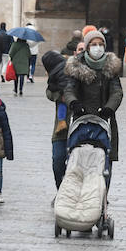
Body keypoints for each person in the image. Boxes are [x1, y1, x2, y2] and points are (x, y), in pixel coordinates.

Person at [62, 28, 123, 180]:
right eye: (94, 44)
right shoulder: (77, 66)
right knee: (78, 157)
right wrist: (74, 103)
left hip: (104, 118)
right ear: (87, 47)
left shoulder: (111, 67)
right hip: (81, 118)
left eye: (101, 44)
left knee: (104, 159)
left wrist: (110, 107)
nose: (98, 47)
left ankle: (103, 193)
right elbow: (69, 90)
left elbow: (117, 91)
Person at [42, 50, 71, 188]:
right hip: (60, 128)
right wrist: (60, 95)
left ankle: (71, 193)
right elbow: (49, 92)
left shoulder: (79, 71)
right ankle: (61, 190)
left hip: (80, 125)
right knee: (57, 161)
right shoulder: (58, 73)